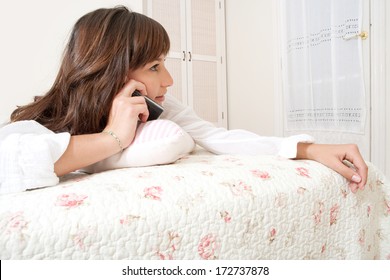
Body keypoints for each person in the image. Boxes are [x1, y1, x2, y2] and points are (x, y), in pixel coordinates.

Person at [0, 6, 367, 194]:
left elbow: (218, 137)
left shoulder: (157, 108)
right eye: (155, 66)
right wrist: (112, 139)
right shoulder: (44, 119)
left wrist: (306, 149)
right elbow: (10, 164)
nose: (169, 80)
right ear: (110, 70)